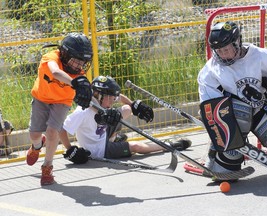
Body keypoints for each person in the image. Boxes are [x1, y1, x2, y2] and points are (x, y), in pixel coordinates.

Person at [197, 21, 267, 174]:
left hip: (261, 109)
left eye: (226, 49)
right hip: (234, 119)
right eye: (218, 50)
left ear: (237, 41)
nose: (223, 54)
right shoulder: (210, 71)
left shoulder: (260, 56)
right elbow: (210, 107)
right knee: (234, 112)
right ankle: (222, 160)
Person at [60, 75, 191, 164]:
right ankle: (168, 145)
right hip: (100, 150)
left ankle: (113, 138)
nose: (112, 101)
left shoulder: (103, 100)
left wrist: (134, 105)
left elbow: (120, 97)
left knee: (126, 109)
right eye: (110, 98)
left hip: (103, 134)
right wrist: (70, 148)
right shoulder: (82, 112)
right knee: (135, 146)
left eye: (113, 98)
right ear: (99, 95)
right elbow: (61, 128)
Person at [26, 32, 93, 185]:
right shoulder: (50, 58)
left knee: (52, 132)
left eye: (82, 62)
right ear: (64, 53)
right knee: (34, 134)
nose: (79, 66)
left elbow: (87, 90)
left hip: (62, 101)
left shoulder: (79, 74)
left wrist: (88, 94)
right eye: (76, 61)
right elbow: (56, 72)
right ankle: (37, 146)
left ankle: (47, 166)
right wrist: (74, 82)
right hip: (41, 98)